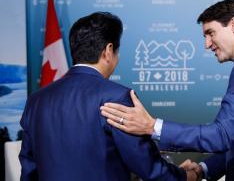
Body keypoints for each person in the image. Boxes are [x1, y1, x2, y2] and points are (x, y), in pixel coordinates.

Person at [100, 0, 234, 181]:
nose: (207, 44)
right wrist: (202, 169)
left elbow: (222, 135)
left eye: (210, 33)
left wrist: (153, 126)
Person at [19, 12, 195, 181]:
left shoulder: (35, 101)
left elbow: (29, 169)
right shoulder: (119, 97)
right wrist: (185, 176)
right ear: (108, 50)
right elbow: (147, 167)